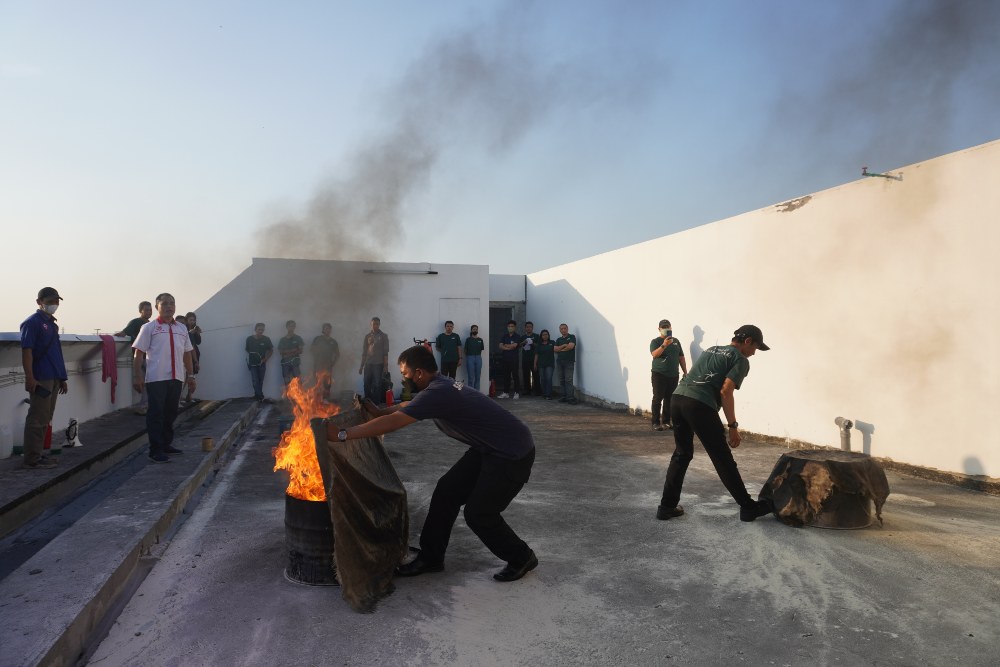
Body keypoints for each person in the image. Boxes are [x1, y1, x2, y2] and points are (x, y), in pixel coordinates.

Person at [330, 344, 537, 582]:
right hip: (490, 447)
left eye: (405, 374)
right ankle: (432, 557)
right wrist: (380, 412)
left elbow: (396, 422)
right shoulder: (443, 384)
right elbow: (410, 405)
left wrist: (343, 434)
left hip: (512, 452)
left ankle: (522, 557)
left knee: (479, 514)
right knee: (446, 492)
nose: (403, 379)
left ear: (419, 373)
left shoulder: (439, 392)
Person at [656, 325, 774, 522]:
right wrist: (733, 426)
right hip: (699, 405)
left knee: (681, 454)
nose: (754, 353)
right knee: (722, 457)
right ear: (747, 342)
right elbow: (726, 391)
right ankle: (748, 507)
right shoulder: (740, 359)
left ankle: (666, 506)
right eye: (755, 348)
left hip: (677, 399)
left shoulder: (711, 349)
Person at [132, 293, 196, 463]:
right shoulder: (149, 328)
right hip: (156, 378)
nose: (169, 306)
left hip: (177, 377)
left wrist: (191, 376)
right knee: (156, 414)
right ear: (157, 307)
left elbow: (187, 354)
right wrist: (137, 376)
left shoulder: (181, 328)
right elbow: (138, 353)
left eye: (172, 303)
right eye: (165, 303)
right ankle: (155, 449)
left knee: (171, 412)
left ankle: (166, 444)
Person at [20, 287, 69, 469]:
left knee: (45, 417)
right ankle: (32, 458)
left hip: (53, 376)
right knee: (37, 418)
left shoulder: (51, 324)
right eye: (50, 301)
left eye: (56, 301)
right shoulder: (32, 323)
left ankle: (38, 454)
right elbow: (27, 351)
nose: (53, 305)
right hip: (41, 377)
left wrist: (62, 377)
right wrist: (30, 377)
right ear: (39, 302)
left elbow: (56, 352)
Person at [115, 300, 152, 414]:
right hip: (141, 357)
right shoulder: (136, 322)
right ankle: (143, 405)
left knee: (149, 383)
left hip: (150, 357)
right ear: (140, 311)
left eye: (150, 310)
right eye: (146, 310)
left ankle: (145, 405)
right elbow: (124, 333)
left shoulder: (150, 324)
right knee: (147, 382)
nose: (149, 312)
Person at [650, 319, 687, 431]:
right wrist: (664, 345)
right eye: (663, 327)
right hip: (659, 374)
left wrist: (685, 372)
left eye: (668, 327)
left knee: (669, 399)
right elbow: (654, 354)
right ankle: (655, 422)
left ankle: (666, 421)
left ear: (671, 328)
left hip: (673, 375)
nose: (666, 329)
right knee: (657, 398)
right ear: (659, 329)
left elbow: (681, 357)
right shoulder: (655, 341)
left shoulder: (676, 341)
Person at [359, 316, 390, 404]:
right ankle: (367, 403)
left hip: (378, 364)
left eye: (376, 324)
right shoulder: (367, 336)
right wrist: (361, 366)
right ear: (371, 324)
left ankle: (376, 404)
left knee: (377, 384)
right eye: (373, 324)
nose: (375, 326)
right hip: (368, 364)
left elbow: (385, 353)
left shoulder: (384, 336)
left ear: (379, 325)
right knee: (366, 383)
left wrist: (385, 366)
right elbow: (364, 352)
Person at [311, 323, 340, 399]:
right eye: (326, 328)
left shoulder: (333, 341)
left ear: (331, 330)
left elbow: (337, 354)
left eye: (329, 329)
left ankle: (326, 401)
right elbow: (312, 350)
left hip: (328, 366)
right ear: (323, 330)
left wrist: (333, 363)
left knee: (327, 384)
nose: (327, 330)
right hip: (318, 365)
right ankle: (317, 401)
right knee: (318, 383)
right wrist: (317, 357)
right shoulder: (317, 339)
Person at [245, 323, 273, 401]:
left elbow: (271, 350)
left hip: (262, 363)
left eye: (262, 329)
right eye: (259, 329)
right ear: (255, 329)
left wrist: (265, 359)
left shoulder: (266, 339)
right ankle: (261, 396)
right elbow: (247, 349)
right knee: (255, 380)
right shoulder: (249, 339)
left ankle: (257, 396)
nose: (261, 331)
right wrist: (254, 356)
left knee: (260, 380)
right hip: (252, 363)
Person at [553, 323, 577, 404]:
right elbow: (555, 349)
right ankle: (563, 397)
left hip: (569, 362)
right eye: (561, 329)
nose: (563, 330)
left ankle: (570, 398)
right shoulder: (558, 339)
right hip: (559, 362)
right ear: (560, 330)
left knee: (568, 380)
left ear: (567, 329)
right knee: (562, 380)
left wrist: (560, 349)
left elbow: (571, 346)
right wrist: (563, 345)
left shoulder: (572, 337)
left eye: (564, 328)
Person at [497, 319, 521, 399]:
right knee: (506, 376)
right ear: (507, 327)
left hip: (514, 359)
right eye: (509, 326)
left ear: (515, 327)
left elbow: (514, 345)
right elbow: (500, 346)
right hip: (505, 359)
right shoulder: (504, 336)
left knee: (515, 376)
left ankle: (517, 392)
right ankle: (506, 392)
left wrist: (505, 346)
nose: (510, 328)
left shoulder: (517, 336)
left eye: (512, 326)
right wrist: (508, 347)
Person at [278, 320, 304, 388]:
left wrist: (287, 353)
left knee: (298, 380)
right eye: (290, 326)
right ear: (287, 327)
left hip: (295, 362)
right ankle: (288, 397)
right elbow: (281, 352)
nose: (291, 327)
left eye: (293, 326)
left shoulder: (298, 338)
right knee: (286, 381)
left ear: (295, 327)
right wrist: (294, 350)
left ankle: (300, 397)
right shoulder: (282, 339)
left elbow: (300, 351)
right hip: (285, 363)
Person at [183, 311, 202, 404]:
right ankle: (181, 397)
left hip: (195, 354)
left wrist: (197, 333)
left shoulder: (195, 329)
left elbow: (198, 342)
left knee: (193, 375)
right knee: (184, 376)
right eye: (190, 320)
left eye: (194, 320)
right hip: (186, 354)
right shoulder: (183, 329)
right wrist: (190, 332)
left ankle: (189, 395)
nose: (192, 322)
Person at [520, 321, 540, 396]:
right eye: (527, 327)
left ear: (532, 328)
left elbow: (539, 346)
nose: (528, 328)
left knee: (536, 375)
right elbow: (519, 345)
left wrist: (532, 343)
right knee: (525, 375)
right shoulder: (523, 337)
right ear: (525, 328)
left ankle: (537, 391)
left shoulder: (536, 336)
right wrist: (523, 342)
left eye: (530, 327)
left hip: (534, 359)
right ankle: (527, 390)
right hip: (525, 359)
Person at [534, 329, 555, 400]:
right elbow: (536, 355)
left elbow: (557, 349)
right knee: (542, 379)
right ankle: (544, 393)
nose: (545, 336)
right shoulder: (539, 345)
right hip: (541, 364)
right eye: (543, 335)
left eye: (546, 334)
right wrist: (535, 364)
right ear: (541, 336)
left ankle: (549, 395)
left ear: (548, 335)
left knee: (548, 379)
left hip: (550, 364)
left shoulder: (552, 343)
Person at [463, 324, 485, 391]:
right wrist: (469, 357)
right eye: (473, 329)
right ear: (471, 330)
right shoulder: (468, 339)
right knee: (471, 377)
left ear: (477, 330)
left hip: (478, 357)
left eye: (476, 329)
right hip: (470, 358)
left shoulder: (480, 340)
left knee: (478, 377)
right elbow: (465, 350)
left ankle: (477, 392)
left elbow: (481, 349)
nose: (475, 330)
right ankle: (471, 392)